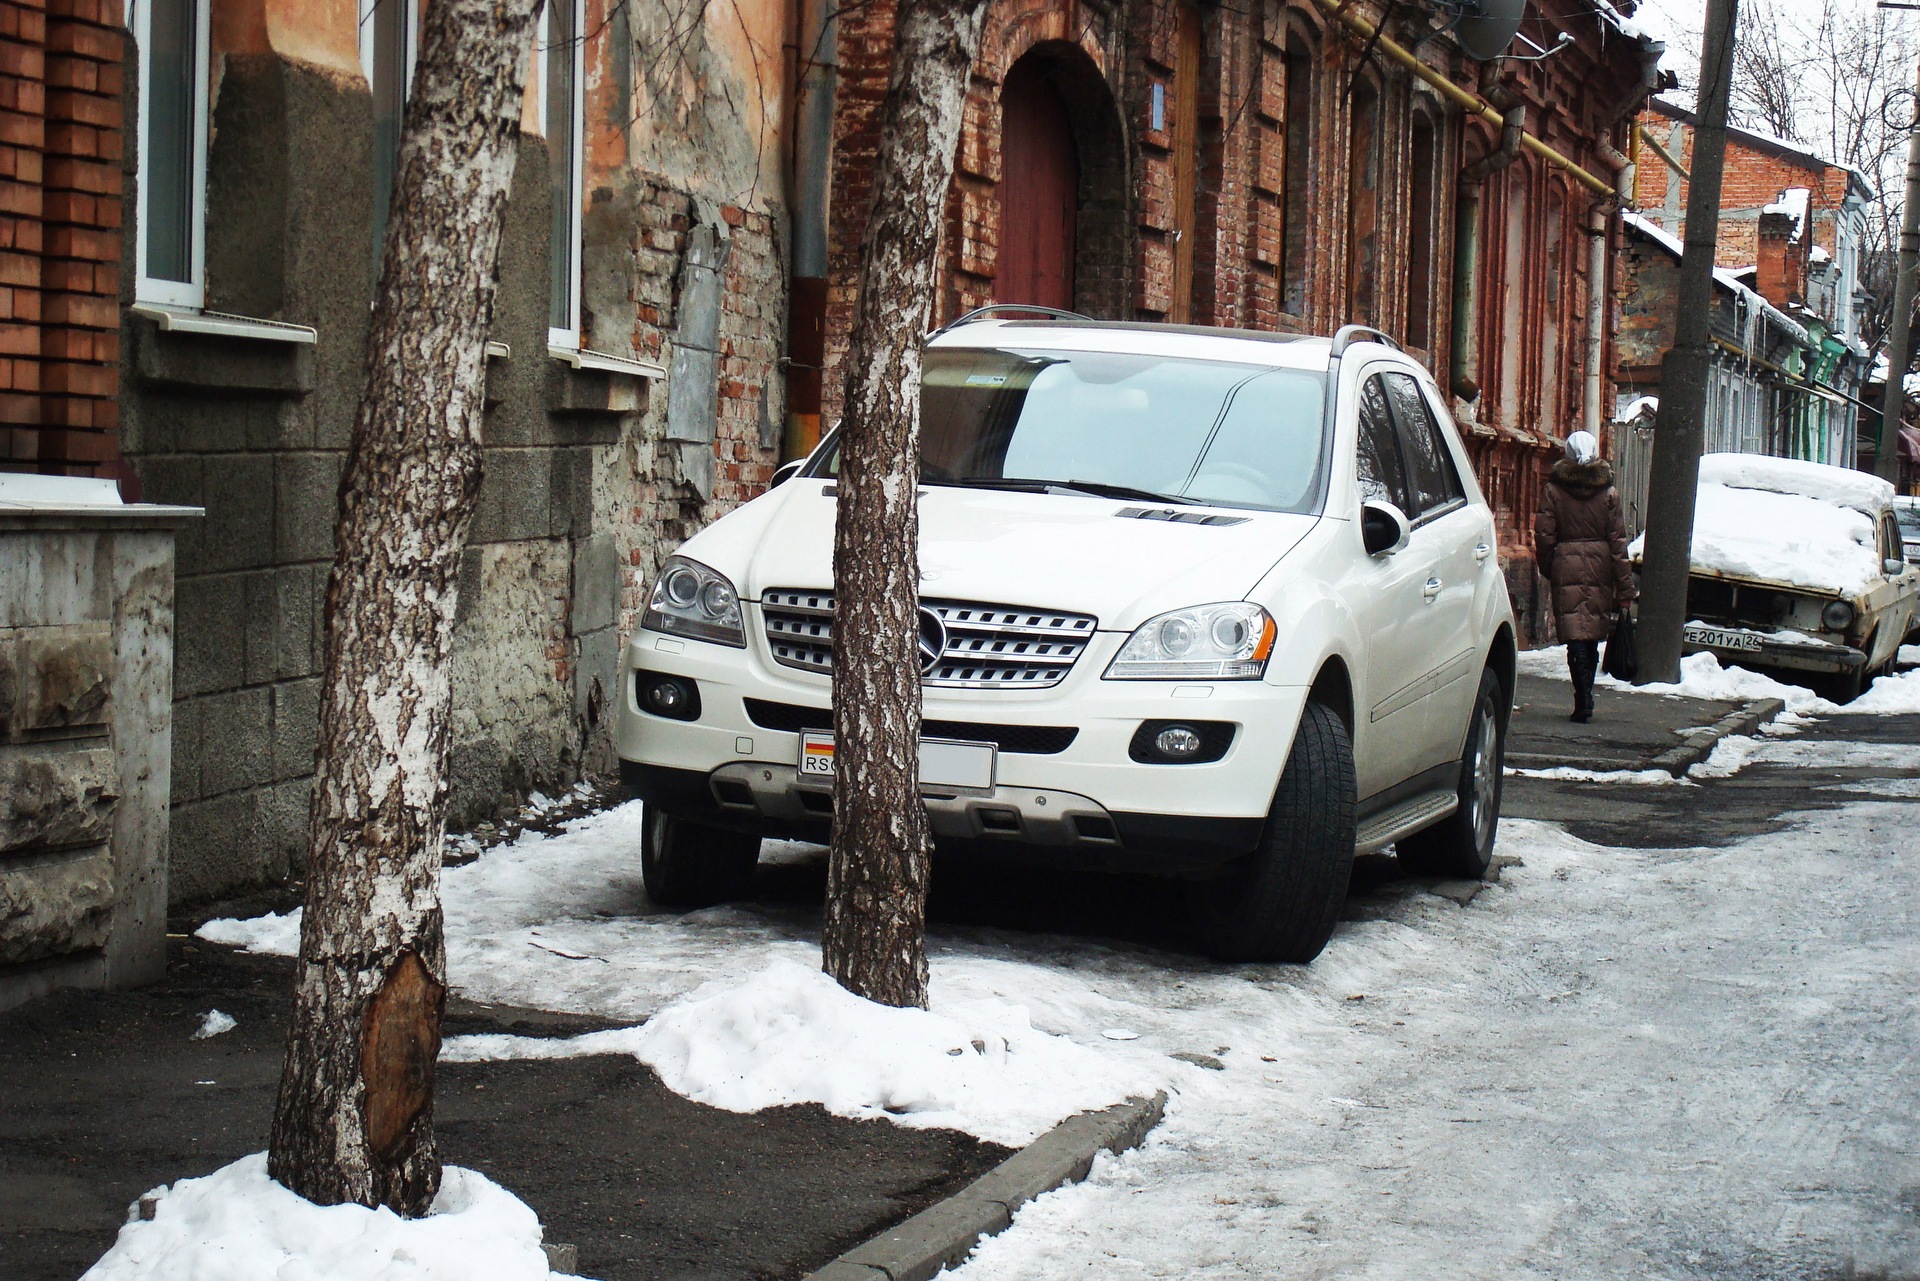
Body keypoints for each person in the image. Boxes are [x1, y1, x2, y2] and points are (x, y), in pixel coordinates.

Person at [1534, 430, 1637, 723]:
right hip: (1599, 566)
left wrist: (1549, 566)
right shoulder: (1608, 494)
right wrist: (1625, 587)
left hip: (1565, 563)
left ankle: (1582, 695)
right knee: (1590, 633)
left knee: (1574, 634)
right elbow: (1618, 543)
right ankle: (1587, 692)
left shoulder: (1553, 491)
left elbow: (1544, 534)